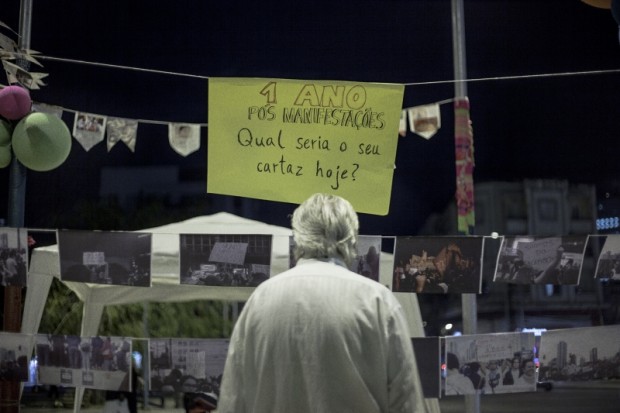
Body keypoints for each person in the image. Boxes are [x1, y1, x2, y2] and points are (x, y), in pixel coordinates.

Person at [217, 193, 425, 413]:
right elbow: (407, 401)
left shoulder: (259, 301)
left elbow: (233, 400)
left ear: (298, 236)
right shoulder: (377, 302)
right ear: (352, 239)